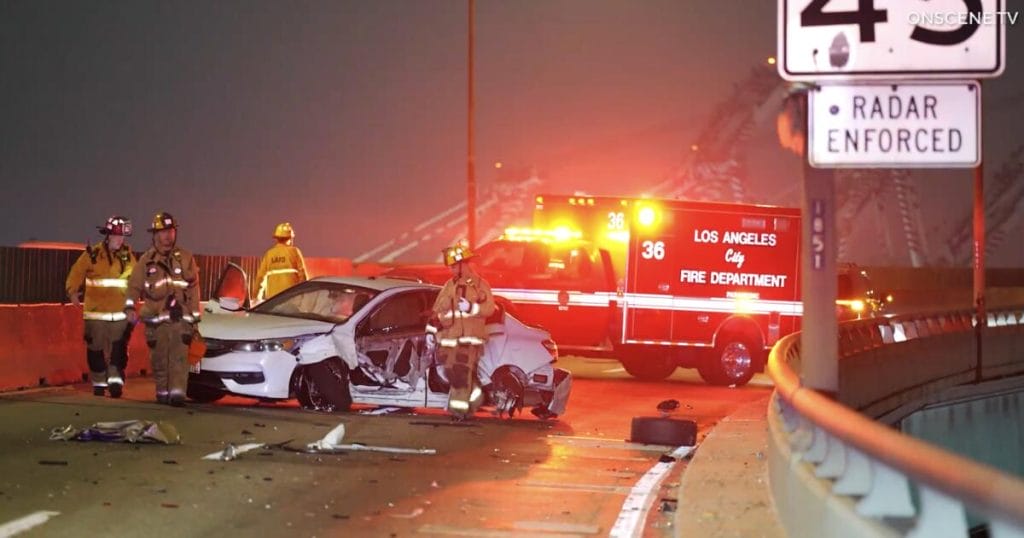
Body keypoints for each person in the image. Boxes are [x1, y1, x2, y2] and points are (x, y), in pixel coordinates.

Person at [123, 212, 201, 407]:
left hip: (180, 320)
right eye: (163, 231)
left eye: (171, 231)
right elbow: (134, 286)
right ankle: (162, 393)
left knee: (179, 358)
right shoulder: (146, 261)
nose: (168, 235)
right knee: (159, 360)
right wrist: (130, 307)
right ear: (155, 235)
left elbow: (193, 288)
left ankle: (177, 395)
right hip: (156, 321)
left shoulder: (185, 257)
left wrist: (195, 319)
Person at [65, 216, 137, 398]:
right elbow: (76, 272)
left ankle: (115, 383)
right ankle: (98, 383)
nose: (120, 240)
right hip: (96, 315)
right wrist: (72, 292)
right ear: (108, 236)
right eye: (116, 236)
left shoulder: (128, 257)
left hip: (119, 315)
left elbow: (136, 281)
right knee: (95, 350)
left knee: (118, 351)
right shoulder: (93, 254)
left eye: (122, 237)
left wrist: (133, 305)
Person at [425, 243, 496, 420]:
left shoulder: (479, 285)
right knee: (455, 373)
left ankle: (459, 412)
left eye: (455, 266)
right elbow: (438, 310)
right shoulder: (449, 285)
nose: (452, 270)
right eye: (451, 266)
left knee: (460, 374)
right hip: (451, 339)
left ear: (465, 264)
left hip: (469, 339)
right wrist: (430, 330)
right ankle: (477, 400)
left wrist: (471, 307)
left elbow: (489, 309)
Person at [255, 222, 308, 302]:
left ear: (276, 238)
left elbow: (260, 279)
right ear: (290, 238)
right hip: (291, 300)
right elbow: (303, 277)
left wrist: (256, 298)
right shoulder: (295, 252)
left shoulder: (269, 254)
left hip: (272, 302)